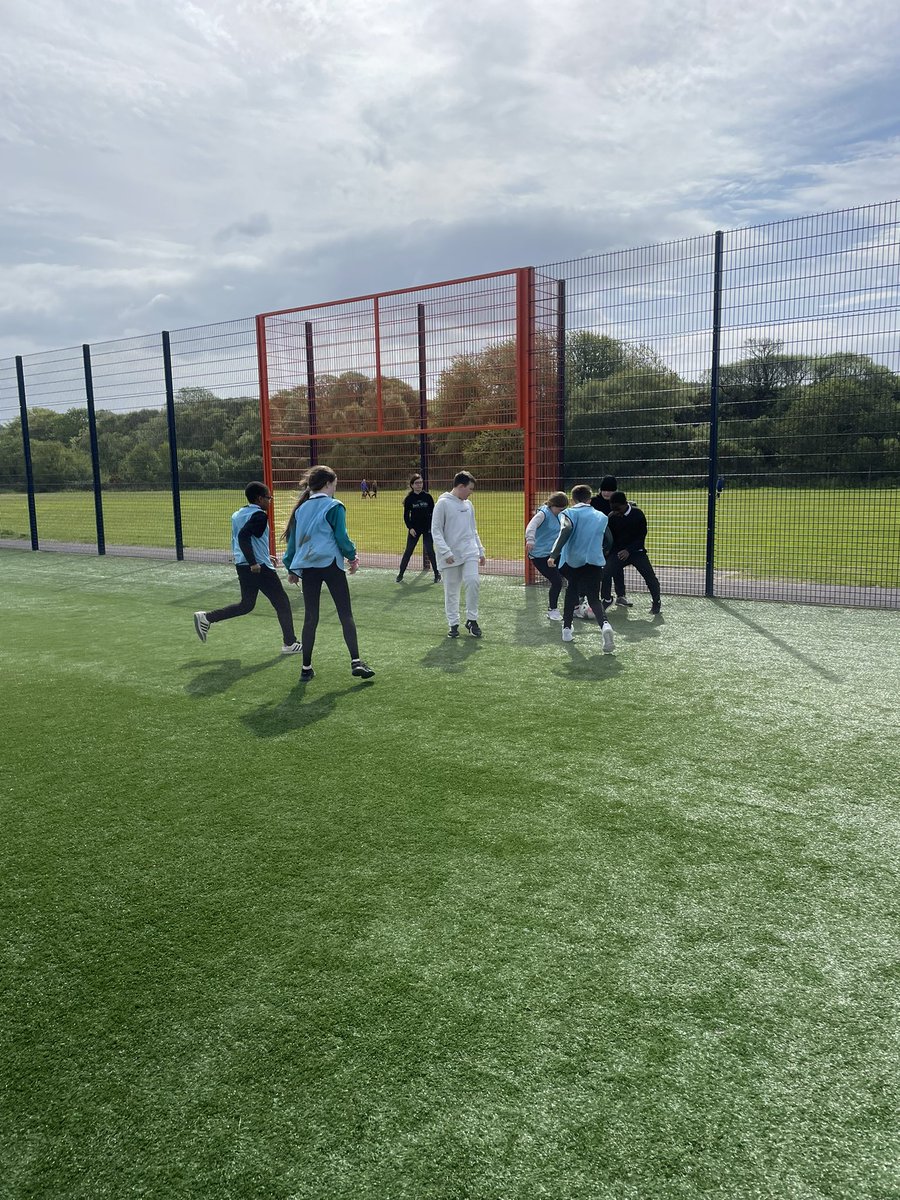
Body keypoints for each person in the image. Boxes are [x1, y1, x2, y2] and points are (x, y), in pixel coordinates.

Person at [282, 465, 375, 680]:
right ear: (327, 484)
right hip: (331, 565)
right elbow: (341, 538)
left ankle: (306, 669)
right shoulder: (334, 506)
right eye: (334, 484)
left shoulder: (301, 509)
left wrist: (291, 568)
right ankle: (355, 661)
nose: (335, 488)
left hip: (308, 568)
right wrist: (352, 557)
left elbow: (293, 546)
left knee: (310, 618)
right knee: (345, 614)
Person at [193, 481, 302, 654]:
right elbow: (244, 536)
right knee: (282, 603)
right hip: (257, 568)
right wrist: (255, 562)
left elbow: (245, 539)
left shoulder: (237, 514)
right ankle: (290, 643)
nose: (270, 501)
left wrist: (261, 556)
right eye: (268, 497)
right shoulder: (259, 516)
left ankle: (207, 618)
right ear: (259, 499)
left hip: (243, 565)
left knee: (247, 605)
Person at [547, 484, 615, 652]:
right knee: (594, 598)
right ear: (589, 499)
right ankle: (605, 625)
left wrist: (553, 554)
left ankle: (567, 629)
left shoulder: (567, 513)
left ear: (572, 499)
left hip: (573, 561)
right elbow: (609, 539)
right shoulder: (601, 516)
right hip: (594, 560)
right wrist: (603, 551)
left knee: (571, 592)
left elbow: (566, 529)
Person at [431, 470, 486, 638]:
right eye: (469, 488)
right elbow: (436, 530)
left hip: (469, 551)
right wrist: (445, 551)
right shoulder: (443, 504)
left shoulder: (468, 505)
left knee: (473, 581)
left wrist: (480, 550)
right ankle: (453, 624)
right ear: (461, 486)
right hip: (450, 556)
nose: (471, 492)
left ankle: (472, 620)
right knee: (452, 591)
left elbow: (472, 529)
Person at [601, 491, 663, 615]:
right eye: (613, 509)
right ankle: (606, 599)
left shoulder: (638, 514)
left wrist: (629, 550)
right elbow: (610, 538)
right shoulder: (612, 516)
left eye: (617, 508)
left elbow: (641, 537)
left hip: (636, 552)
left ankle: (656, 602)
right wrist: (609, 553)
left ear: (625, 504)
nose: (616, 512)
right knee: (606, 572)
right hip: (619, 552)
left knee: (649, 576)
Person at [524, 491, 568, 620]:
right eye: (559, 509)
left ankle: (576, 606)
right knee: (556, 581)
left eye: (563, 509)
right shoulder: (543, 514)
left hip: (555, 553)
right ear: (552, 506)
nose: (561, 512)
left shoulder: (561, 515)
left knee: (573, 575)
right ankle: (552, 610)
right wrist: (530, 540)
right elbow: (531, 526)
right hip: (540, 555)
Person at [589, 474, 629, 608]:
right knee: (597, 569)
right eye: (604, 490)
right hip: (597, 540)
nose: (606, 493)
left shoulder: (618, 502)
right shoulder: (593, 501)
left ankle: (621, 595)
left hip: (615, 540)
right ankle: (601, 597)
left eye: (610, 490)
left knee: (617, 568)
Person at [396, 474, 441, 583]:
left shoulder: (428, 497)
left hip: (427, 529)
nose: (419, 485)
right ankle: (400, 574)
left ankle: (436, 574)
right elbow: (406, 516)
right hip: (414, 530)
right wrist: (410, 528)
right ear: (412, 485)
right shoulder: (409, 499)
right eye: (416, 483)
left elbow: (433, 513)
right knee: (408, 551)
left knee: (430, 550)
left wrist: (432, 527)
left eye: (420, 483)